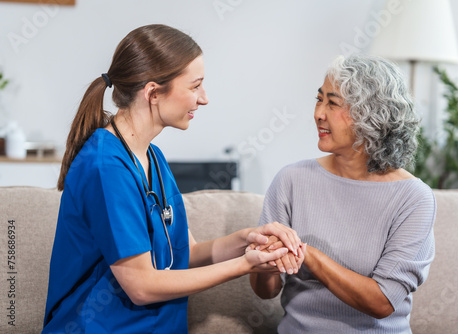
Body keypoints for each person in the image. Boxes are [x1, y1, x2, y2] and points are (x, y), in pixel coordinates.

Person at [42, 24, 304, 334]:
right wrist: (245, 265)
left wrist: (248, 238)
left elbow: (186, 254)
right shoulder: (105, 167)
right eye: (195, 86)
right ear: (153, 92)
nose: (204, 99)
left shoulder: (152, 157)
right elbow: (141, 286)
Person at [250, 54, 436, 333]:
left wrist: (307, 255)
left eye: (332, 103)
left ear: (371, 115)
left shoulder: (413, 198)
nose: (318, 113)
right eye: (319, 99)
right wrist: (264, 261)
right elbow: (266, 291)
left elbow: (382, 301)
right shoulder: (291, 180)